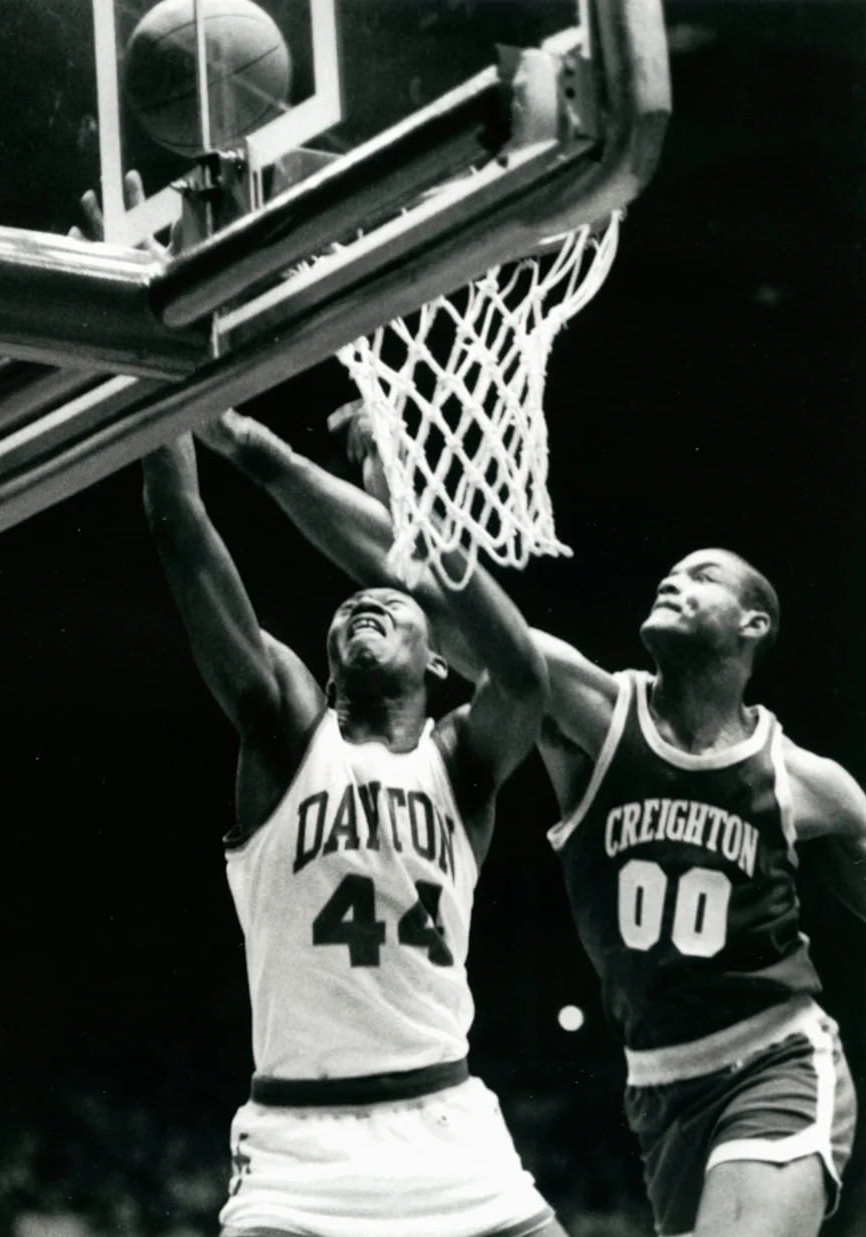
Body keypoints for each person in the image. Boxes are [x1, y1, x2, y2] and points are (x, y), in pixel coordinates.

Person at [201, 408, 866, 1237]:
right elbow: (438, 602)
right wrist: (355, 482)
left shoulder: (809, 783)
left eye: (701, 575)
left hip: (776, 1056)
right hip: (659, 1085)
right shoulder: (593, 714)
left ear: (753, 624)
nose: (675, 580)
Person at [140, 428, 568, 1237]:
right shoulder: (286, 734)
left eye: (393, 604)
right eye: (348, 610)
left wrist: (426, 526)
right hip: (304, 1149)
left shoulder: (462, 763)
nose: (365, 603)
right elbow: (178, 524)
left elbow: (522, 675)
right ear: (328, 670)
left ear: (439, 662)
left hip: (449, 1129)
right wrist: (166, 407)